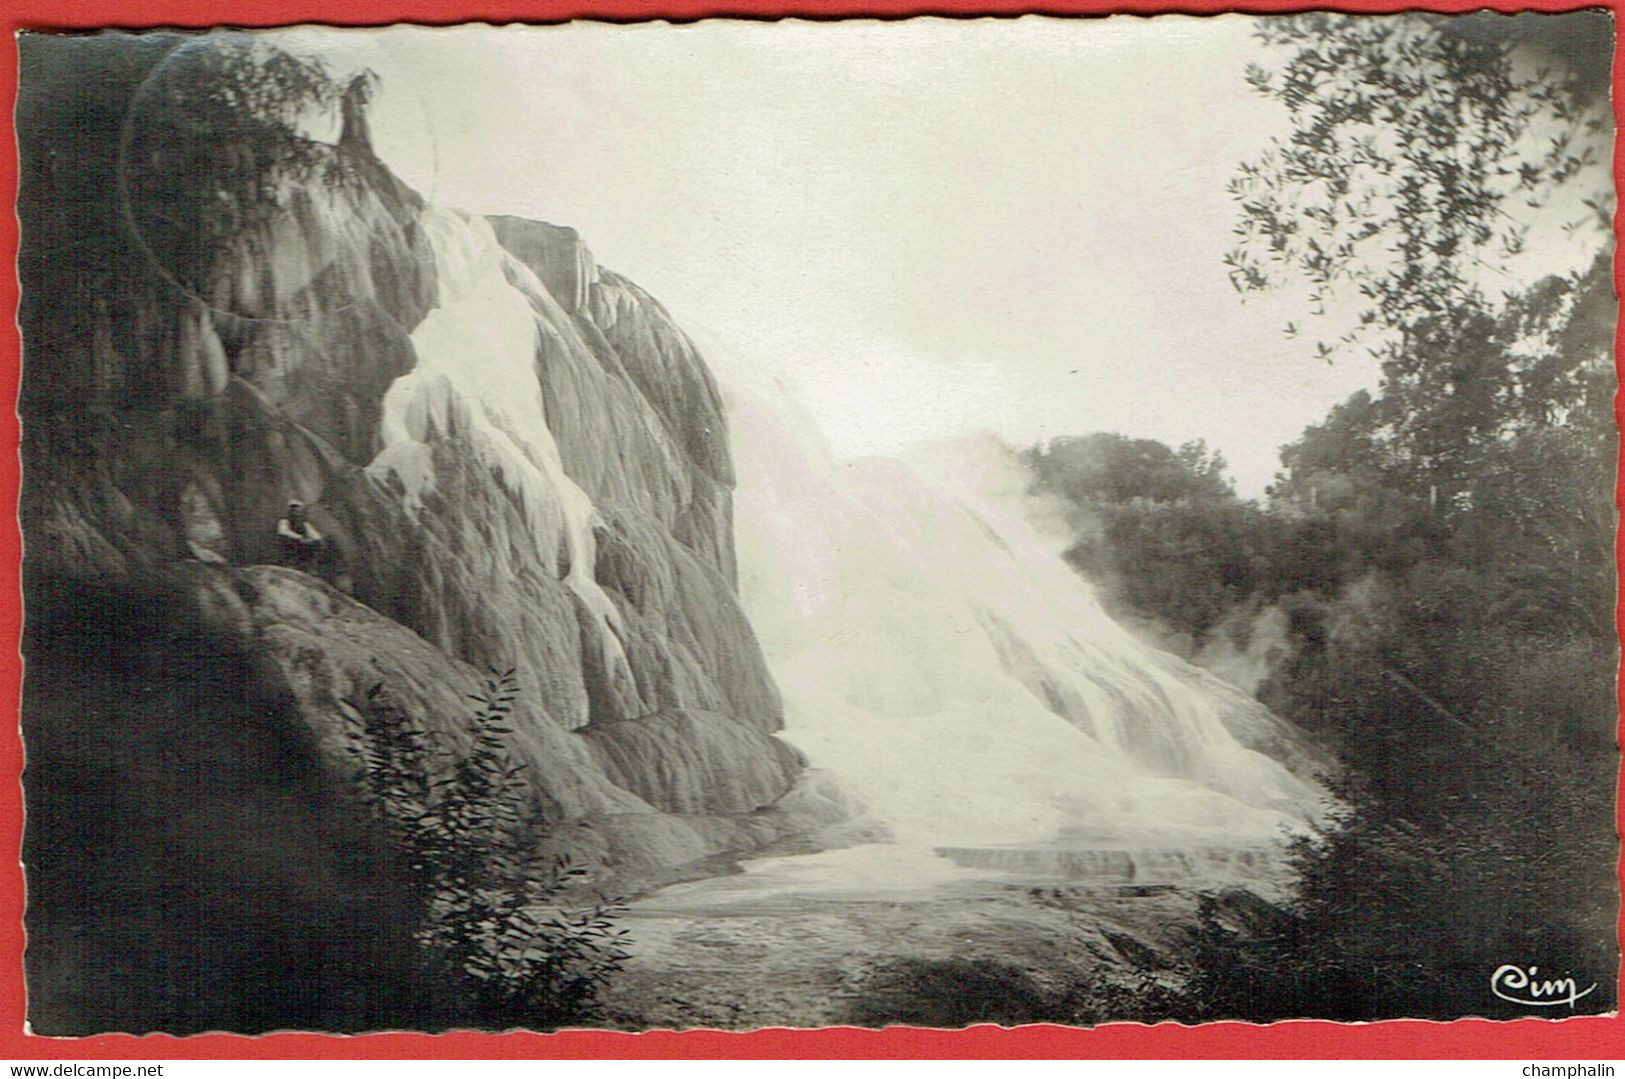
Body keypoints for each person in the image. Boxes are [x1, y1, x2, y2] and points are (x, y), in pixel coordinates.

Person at [277, 500, 324, 571]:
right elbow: (283, 531)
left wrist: (313, 539)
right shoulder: (284, 521)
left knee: (317, 544)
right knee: (287, 541)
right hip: (290, 545)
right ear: (290, 512)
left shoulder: (304, 524)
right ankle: (290, 564)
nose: (295, 513)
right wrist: (300, 537)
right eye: (293, 510)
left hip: (302, 545)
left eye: (297, 511)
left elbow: (314, 534)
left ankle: (310, 566)